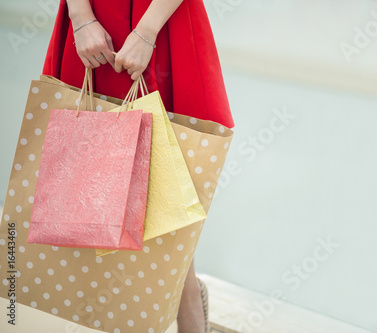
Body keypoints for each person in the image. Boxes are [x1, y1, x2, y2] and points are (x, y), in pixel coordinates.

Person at [42, 1, 235, 332]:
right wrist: (81, 16)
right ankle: (184, 299)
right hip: (92, 18)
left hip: (161, 17)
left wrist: (147, 31)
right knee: (89, 171)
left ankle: (185, 302)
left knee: (168, 168)